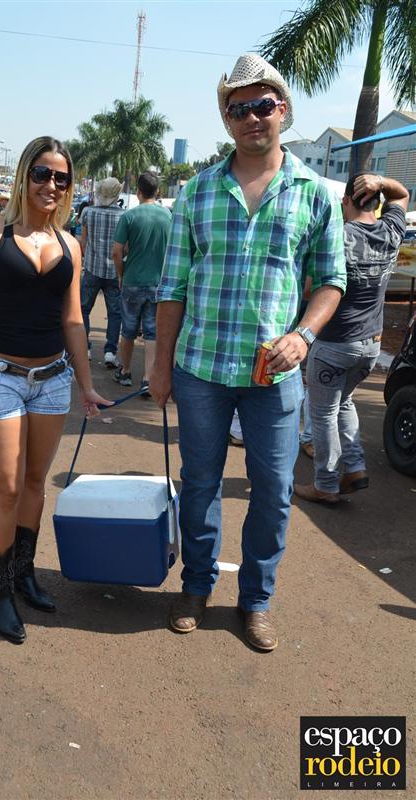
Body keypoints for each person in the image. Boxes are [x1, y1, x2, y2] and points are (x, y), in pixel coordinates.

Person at [149, 53, 346, 652]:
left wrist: (303, 335)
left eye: (262, 105)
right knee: (200, 484)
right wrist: (160, 365)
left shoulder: (313, 193)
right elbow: (173, 286)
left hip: (274, 376)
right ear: (226, 119)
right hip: (201, 369)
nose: (252, 117)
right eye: (239, 109)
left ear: (282, 110)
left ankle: (256, 599)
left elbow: (331, 281)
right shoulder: (198, 191)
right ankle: (196, 587)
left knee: (274, 491)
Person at [0, 136, 111, 644]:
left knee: (36, 482)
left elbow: (73, 320)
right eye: (42, 173)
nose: (51, 185)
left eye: (61, 177)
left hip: (52, 380)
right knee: (7, 488)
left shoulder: (70, 245)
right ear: (24, 175)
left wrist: (86, 384)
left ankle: (24, 573)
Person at [294, 173, 408, 504]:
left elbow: (309, 290)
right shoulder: (390, 230)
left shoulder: (337, 237)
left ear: (345, 201)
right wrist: (380, 181)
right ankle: (355, 468)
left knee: (322, 414)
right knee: (343, 402)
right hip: (371, 344)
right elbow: (402, 194)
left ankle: (325, 484)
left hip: (334, 343)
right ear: (377, 201)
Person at [112, 171, 171, 395]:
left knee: (128, 330)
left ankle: (125, 371)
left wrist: (120, 275)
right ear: (158, 192)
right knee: (151, 333)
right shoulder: (168, 216)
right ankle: (147, 378)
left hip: (132, 281)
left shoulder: (129, 216)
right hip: (158, 283)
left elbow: (117, 251)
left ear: (138, 191)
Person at [80, 178, 124, 366]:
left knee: (83, 309)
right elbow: (124, 247)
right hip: (114, 271)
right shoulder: (124, 216)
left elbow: (83, 242)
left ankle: (85, 348)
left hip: (92, 268)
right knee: (115, 313)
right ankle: (110, 352)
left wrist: (86, 258)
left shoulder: (88, 212)